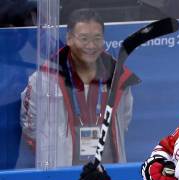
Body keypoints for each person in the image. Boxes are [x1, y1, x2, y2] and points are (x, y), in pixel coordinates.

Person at [20, 8, 139, 167]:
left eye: (97, 38)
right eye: (84, 38)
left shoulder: (117, 76)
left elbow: (124, 119)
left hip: (108, 171)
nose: (91, 45)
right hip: (62, 171)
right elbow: (30, 126)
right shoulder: (44, 78)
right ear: (69, 39)